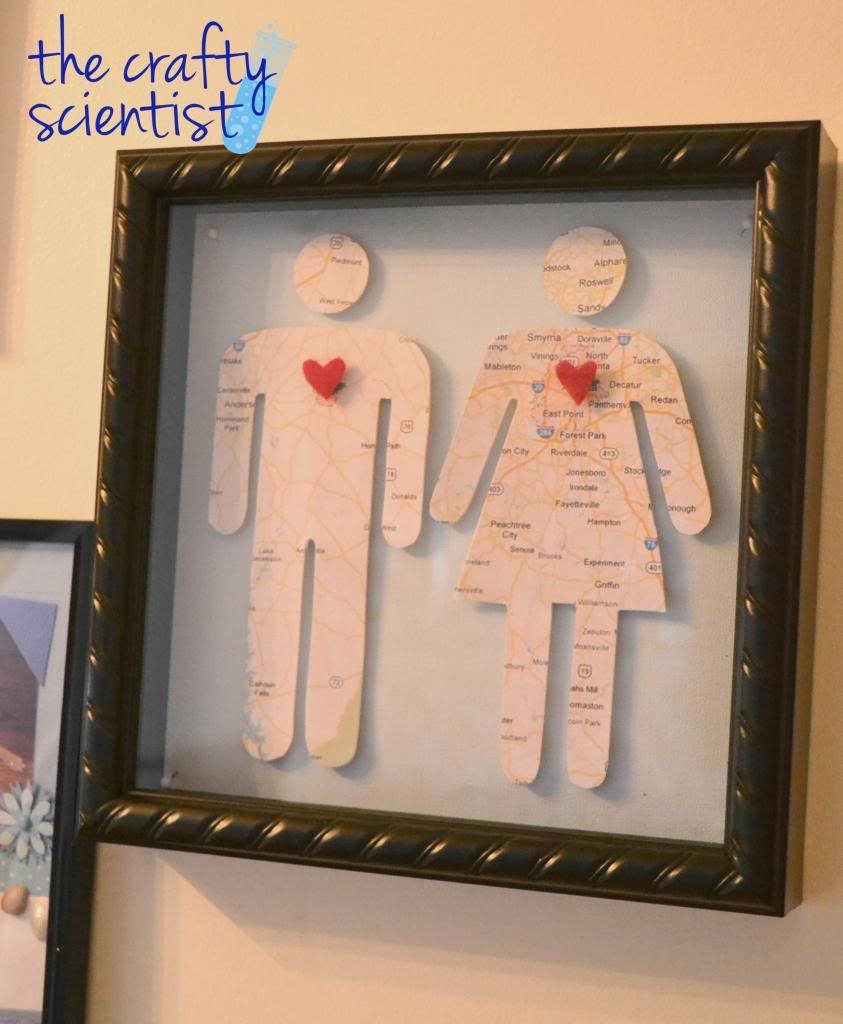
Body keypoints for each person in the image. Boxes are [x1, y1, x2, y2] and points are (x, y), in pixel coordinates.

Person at [432, 326, 710, 788]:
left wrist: (689, 503)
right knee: (527, 631)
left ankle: (586, 760)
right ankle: (521, 750)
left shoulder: (639, 354)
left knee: (595, 637)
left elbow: (668, 420)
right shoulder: (513, 350)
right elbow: (480, 419)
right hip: (529, 519)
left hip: (606, 520)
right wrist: (451, 496)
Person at [209, 323, 430, 768]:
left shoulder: (394, 352)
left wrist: (400, 510)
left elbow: (412, 407)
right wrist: (226, 499)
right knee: (273, 614)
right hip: (280, 511)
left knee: (339, 615)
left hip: (347, 513)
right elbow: (234, 408)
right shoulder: (254, 351)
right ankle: (268, 728)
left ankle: (330, 736)